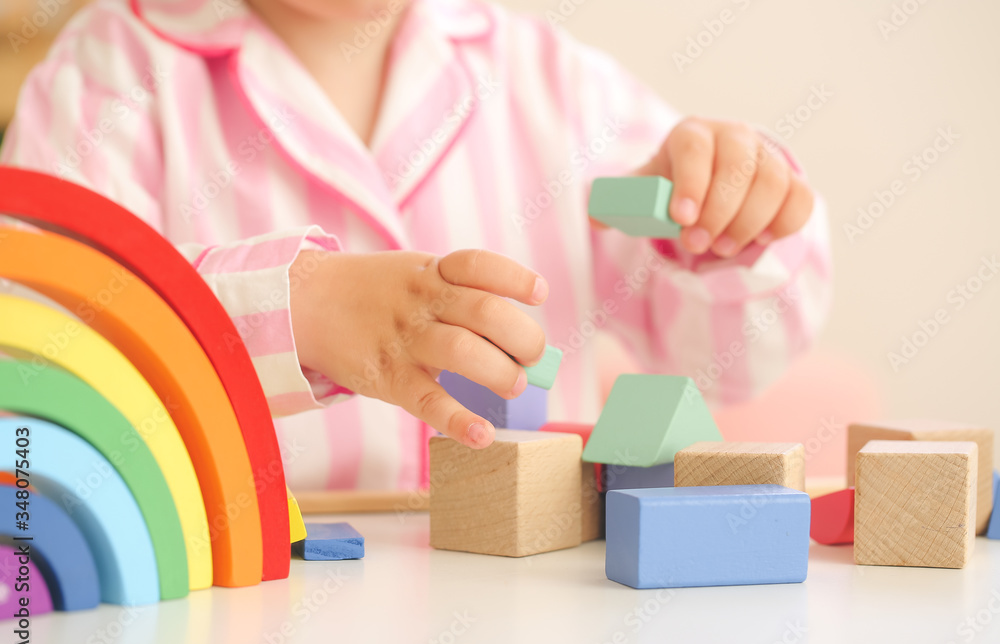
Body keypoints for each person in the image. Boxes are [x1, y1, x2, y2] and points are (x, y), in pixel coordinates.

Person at [0, 0, 831, 490]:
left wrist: (727, 225)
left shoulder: (556, 81)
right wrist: (296, 313)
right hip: (237, 598)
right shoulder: (109, 69)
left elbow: (740, 358)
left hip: (524, 602)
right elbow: (36, 354)